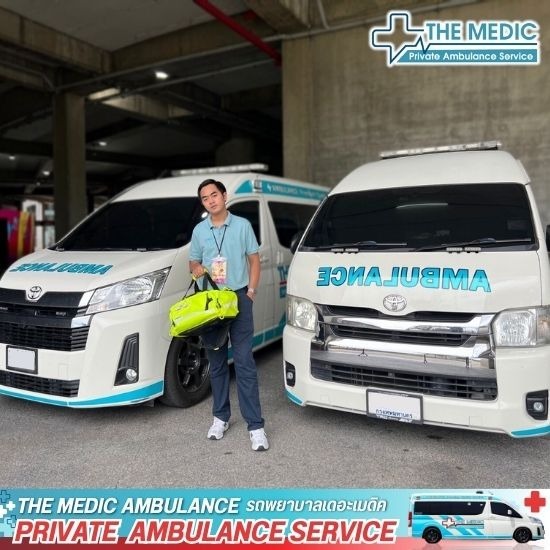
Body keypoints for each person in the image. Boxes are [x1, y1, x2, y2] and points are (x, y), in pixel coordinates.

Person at [189, 178, 269, 451]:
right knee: (217, 363)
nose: (210, 200)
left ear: (224, 196)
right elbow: (193, 260)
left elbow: (254, 260)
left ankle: (255, 426)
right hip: (212, 302)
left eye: (214, 195)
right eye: (205, 198)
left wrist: (251, 292)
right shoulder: (199, 230)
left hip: (238, 298)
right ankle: (220, 418)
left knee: (244, 362)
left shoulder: (242, 225)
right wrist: (195, 267)